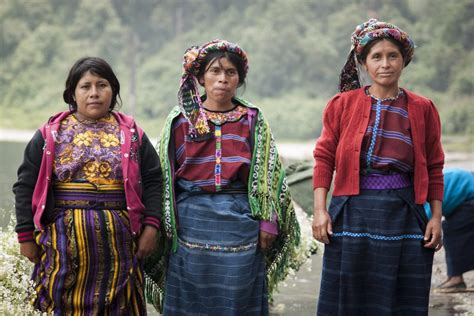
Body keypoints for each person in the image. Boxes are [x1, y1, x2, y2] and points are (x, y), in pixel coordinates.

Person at [144, 39, 300, 315]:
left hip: (241, 221)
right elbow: (163, 178)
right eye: (215, 71)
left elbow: (268, 171)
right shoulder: (179, 120)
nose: (222, 79)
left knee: (238, 298)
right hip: (190, 222)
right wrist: (160, 225)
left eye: (230, 72)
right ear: (201, 78)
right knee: (191, 300)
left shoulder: (253, 119)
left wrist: (268, 222)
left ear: (239, 79)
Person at [312, 19, 444, 315]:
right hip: (351, 212)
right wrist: (320, 211)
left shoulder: (423, 108)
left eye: (392, 56)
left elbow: (435, 166)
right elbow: (324, 158)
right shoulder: (341, 105)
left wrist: (435, 217)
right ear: (363, 63)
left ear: (404, 60)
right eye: (376, 57)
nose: (386, 64)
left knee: (401, 297)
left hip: (405, 212)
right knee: (349, 295)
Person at [13, 57, 162, 314]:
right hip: (62, 247)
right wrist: (26, 236)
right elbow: (25, 185)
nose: (94, 93)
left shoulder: (132, 133)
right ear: (72, 92)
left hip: (120, 249)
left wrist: (151, 226)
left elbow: (153, 180)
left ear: (113, 90)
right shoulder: (50, 134)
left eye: (102, 85)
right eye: (85, 86)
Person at [427, 168, 474, 292]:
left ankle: (456, 279)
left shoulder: (421, 195)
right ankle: (454, 277)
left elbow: (425, 222)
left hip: (470, 195)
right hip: (465, 195)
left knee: (452, 231)